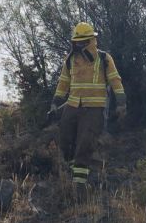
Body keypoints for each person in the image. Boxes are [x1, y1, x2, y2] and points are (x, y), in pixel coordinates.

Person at [50, 22, 126, 192]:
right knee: (65, 138)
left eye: (83, 41)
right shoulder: (70, 60)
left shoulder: (104, 58)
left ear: (91, 40)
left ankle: (79, 186)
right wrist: (55, 102)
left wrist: (121, 102)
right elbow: (63, 83)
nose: (79, 45)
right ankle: (72, 172)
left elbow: (115, 80)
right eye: (77, 42)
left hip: (94, 108)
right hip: (72, 105)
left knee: (85, 144)